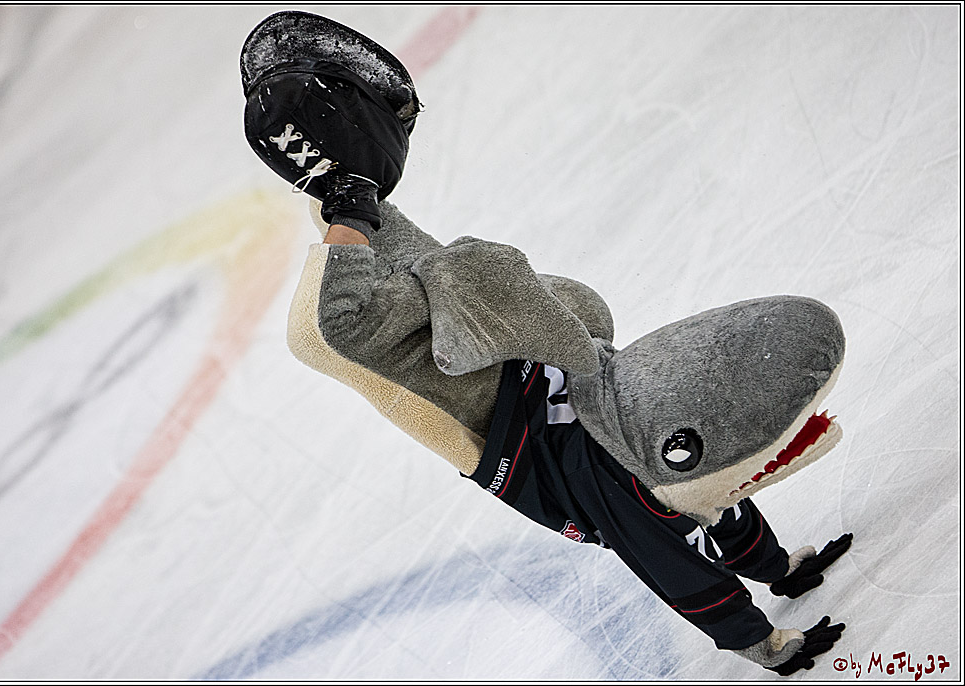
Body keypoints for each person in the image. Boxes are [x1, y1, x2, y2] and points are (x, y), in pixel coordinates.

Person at [241, 12, 851, 675]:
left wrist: (346, 185)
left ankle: (775, 567)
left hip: (562, 371)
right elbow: (338, 322)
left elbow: (391, 257)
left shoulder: (416, 293)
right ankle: (758, 625)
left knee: (678, 453)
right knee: (658, 495)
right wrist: (761, 644)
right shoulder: (366, 329)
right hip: (535, 439)